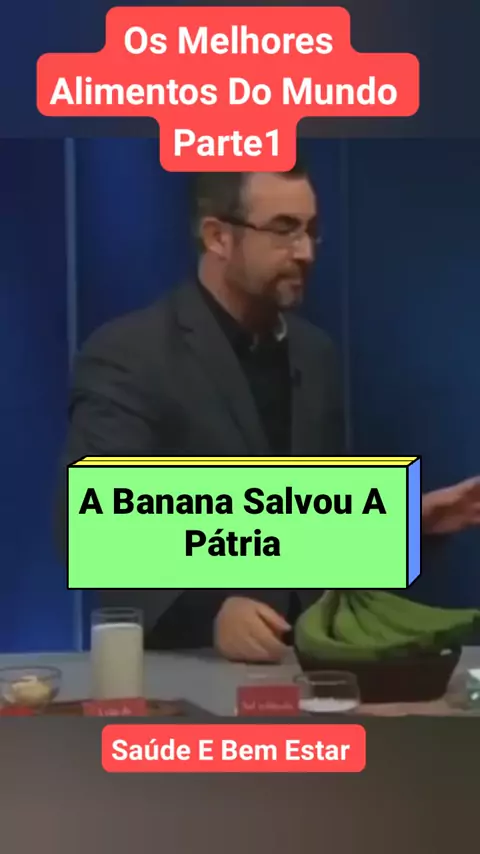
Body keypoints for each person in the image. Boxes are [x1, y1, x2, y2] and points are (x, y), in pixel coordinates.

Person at [56, 167, 480, 663]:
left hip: (313, 668)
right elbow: (92, 527)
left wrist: (405, 523)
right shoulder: (133, 354)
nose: (306, 252)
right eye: (284, 230)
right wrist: (212, 613)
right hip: (191, 670)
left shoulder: (315, 355)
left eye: (311, 230)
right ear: (218, 236)